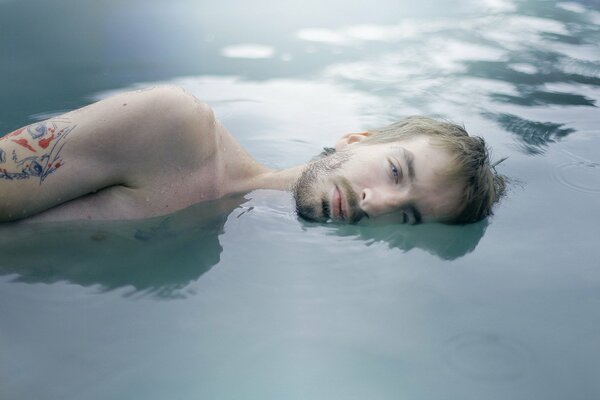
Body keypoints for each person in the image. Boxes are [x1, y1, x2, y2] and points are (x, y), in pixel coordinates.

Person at [0, 86, 505, 224]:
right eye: (396, 171)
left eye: (410, 217)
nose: (380, 204)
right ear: (356, 139)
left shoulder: (205, 260)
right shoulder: (172, 129)